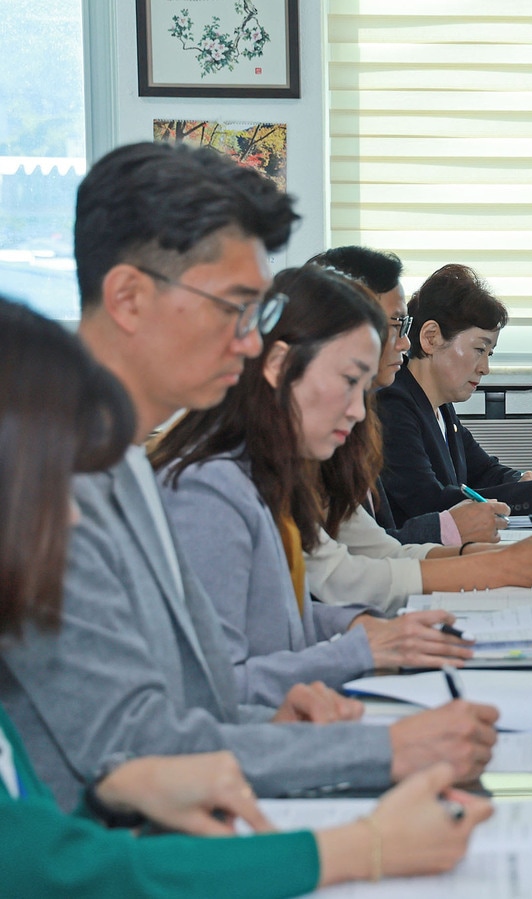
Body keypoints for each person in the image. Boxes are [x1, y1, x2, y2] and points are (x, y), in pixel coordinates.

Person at [0, 141, 498, 811]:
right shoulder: (50, 484)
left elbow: (206, 688)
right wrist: (390, 748)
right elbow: (135, 746)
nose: (249, 342)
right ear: (129, 297)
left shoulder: (124, 464)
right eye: (234, 308)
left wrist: (285, 710)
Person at [0, 294, 493, 896]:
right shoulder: (207, 487)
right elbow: (68, 865)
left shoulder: (234, 477)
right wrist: (362, 838)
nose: (77, 519)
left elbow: (61, 836)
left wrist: (139, 781)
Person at [151, 265, 487, 705]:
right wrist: (362, 649)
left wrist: (354, 627)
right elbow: (218, 690)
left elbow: (280, 621)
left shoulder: (270, 470)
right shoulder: (207, 492)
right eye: (349, 383)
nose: (359, 412)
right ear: (278, 365)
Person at [311, 244, 508, 547]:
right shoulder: (389, 403)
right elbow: (355, 565)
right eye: (396, 325)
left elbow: (368, 553)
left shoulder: (358, 416)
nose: (404, 343)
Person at [379, 263, 532, 521]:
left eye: (490, 354)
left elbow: (485, 471)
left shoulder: (440, 406)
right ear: (431, 338)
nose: (485, 368)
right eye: (478, 350)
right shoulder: (392, 403)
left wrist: (525, 481)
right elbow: (430, 502)